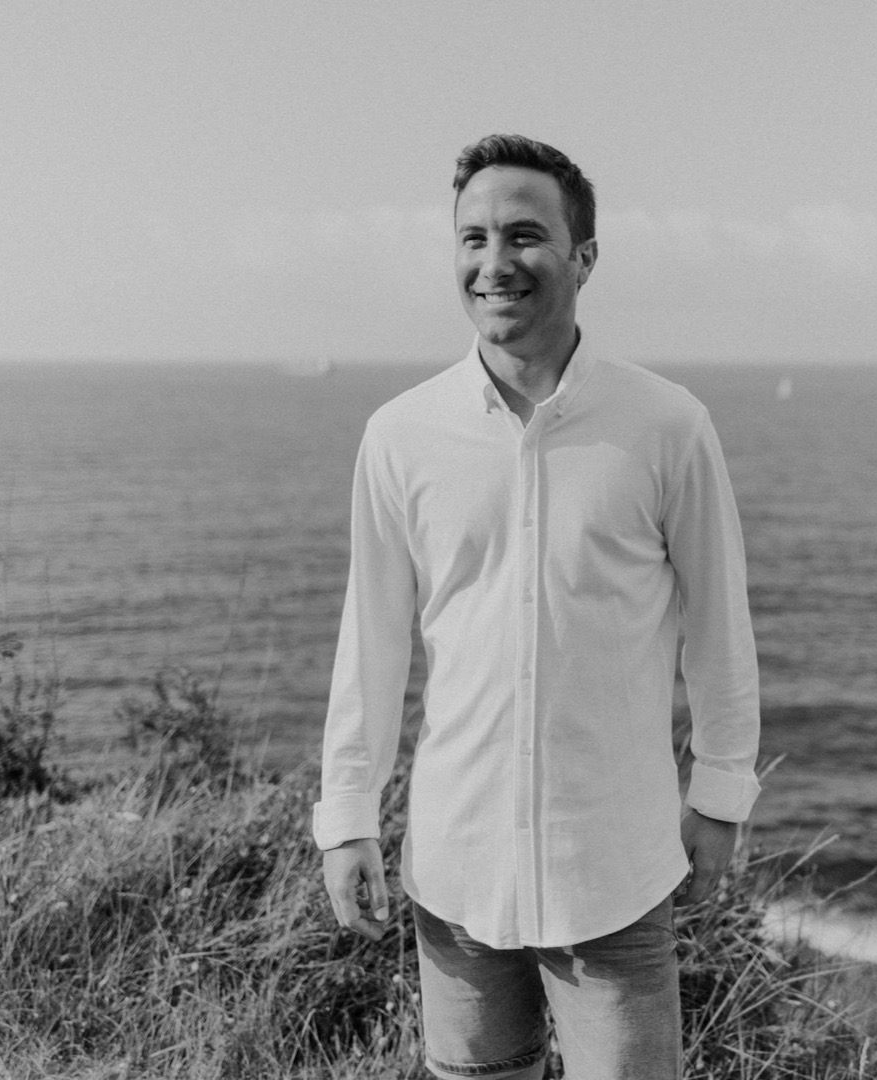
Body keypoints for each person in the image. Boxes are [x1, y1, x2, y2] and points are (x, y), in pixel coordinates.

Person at [314, 133, 761, 1080]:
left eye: (523, 235)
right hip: (456, 870)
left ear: (584, 257)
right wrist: (348, 813)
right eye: (472, 238)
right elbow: (373, 640)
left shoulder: (668, 426)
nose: (494, 262)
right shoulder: (399, 436)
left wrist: (721, 791)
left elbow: (721, 626)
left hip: (614, 870)